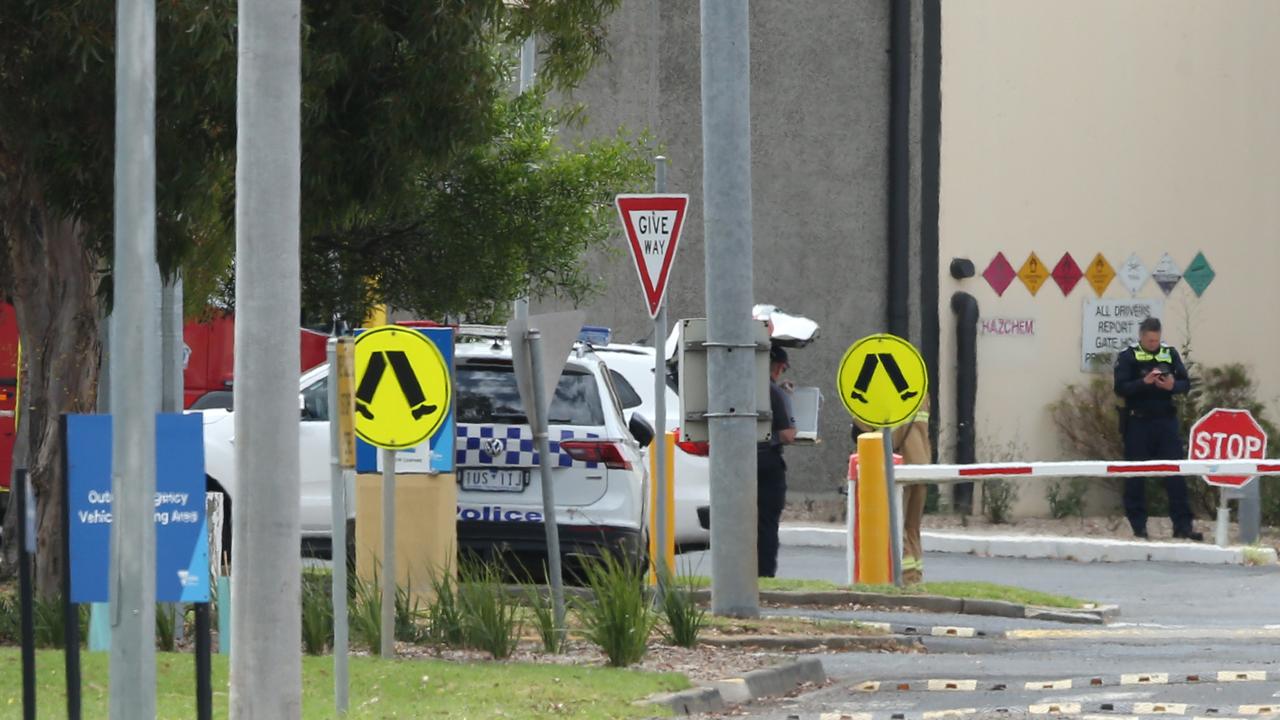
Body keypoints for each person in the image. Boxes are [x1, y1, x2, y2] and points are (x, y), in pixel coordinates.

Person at [1113, 317, 1202, 541]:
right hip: (1138, 422)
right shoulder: (1128, 356)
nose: (1153, 343)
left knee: (1175, 474)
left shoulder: (1169, 354)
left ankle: (1183, 526)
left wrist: (1173, 386)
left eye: (1156, 339)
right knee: (1135, 476)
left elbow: (1186, 384)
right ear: (1141, 336)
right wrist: (1144, 383)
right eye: (1149, 340)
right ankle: (1139, 527)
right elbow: (1120, 388)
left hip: (1165, 422)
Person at [852, 397, 932, 584]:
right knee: (912, 528)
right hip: (921, 464)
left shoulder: (883, 391)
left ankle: (904, 579)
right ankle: (915, 579)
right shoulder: (919, 388)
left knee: (894, 525)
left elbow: (863, 427)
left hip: (896, 465)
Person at [757, 344, 796, 577]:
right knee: (767, 525)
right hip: (768, 466)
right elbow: (787, 434)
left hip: (742, 464)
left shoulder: (743, 386)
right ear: (779, 367)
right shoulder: (773, 392)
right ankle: (765, 573)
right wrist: (787, 400)